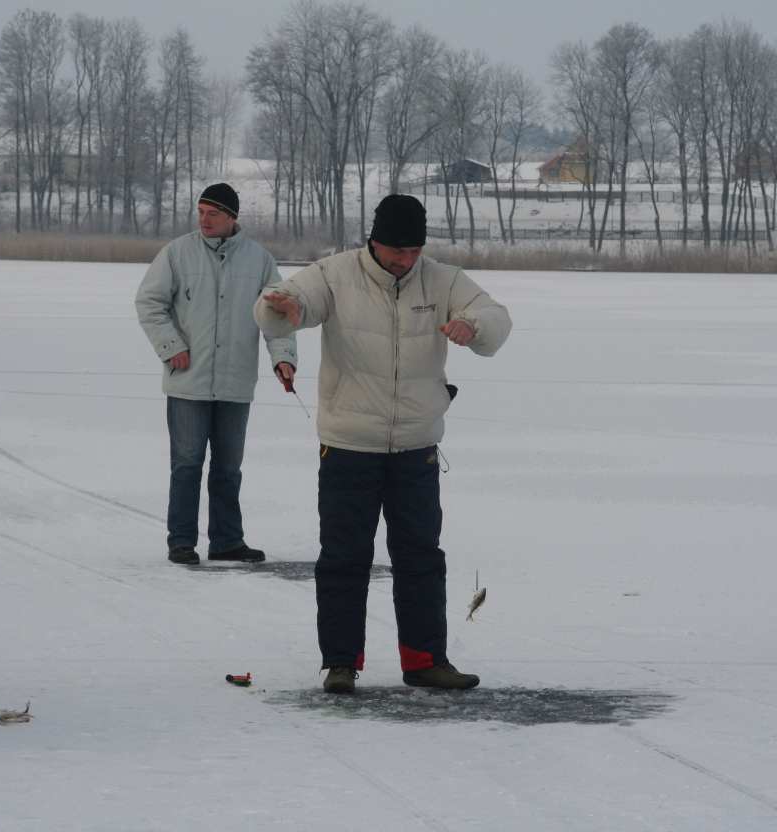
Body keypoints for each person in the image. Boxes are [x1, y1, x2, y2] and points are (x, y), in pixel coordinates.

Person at [254, 194, 512, 694]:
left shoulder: (442, 280)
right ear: (373, 241)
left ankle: (424, 661)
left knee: (421, 556)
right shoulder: (334, 274)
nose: (406, 260)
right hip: (349, 444)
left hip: (416, 446)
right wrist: (281, 310)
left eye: (415, 250)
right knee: (344, 556)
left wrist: (473, 326)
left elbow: (496, 318)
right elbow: (283, 306)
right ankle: (341, 663)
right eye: (397, 250)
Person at [136, 183, 297, 566]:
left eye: (213, 214)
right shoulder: (177, 253)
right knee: (187, 464)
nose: (204, 220)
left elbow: (278, 315)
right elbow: (149, 303)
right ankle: (182, 542)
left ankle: (227, 541)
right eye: (201, 212)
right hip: (188, 380)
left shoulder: (259, 260)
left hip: (236, 381)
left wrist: (283, 358)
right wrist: (171, 346)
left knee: (228, 468)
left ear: (232, 218)